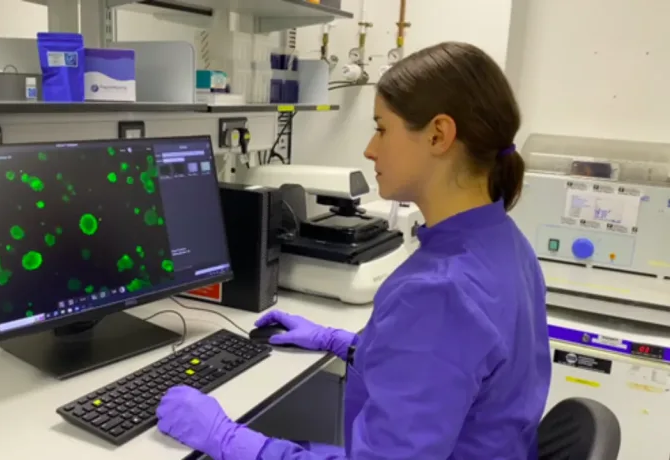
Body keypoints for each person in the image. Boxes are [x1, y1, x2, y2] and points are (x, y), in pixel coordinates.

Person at [155, 41, 552, 460]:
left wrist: (226, 439)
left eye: (382, 128)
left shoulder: (439, 292)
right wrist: (341, 342)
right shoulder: (505, 241)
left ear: (439, 134)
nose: (370, 149)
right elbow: (455, 371)